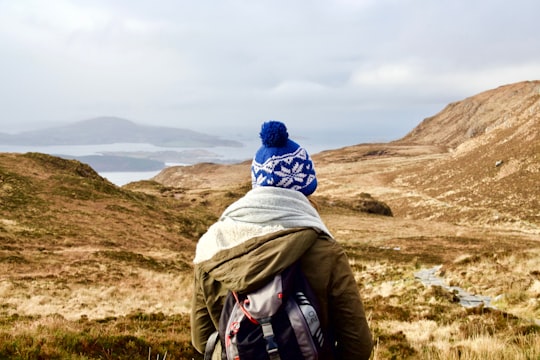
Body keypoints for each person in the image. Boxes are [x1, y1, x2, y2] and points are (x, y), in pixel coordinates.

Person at [190, 120, 373, 359]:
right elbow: (358, 346)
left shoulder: (212, 247)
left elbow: (201, 340)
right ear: (303, 188)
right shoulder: (325, 251)